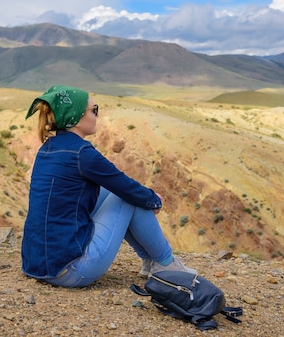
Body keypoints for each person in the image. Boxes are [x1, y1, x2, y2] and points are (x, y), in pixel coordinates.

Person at [21, 85, 196, 288]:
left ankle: (150, 261)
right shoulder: (82, 153)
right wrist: (153, 199)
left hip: (35, 264)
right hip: (72, 270)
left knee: (110, 192)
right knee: (125, 196)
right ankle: (165, 263)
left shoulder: (48, 148)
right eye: (93, 110)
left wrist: (145, 196)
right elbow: (124, 186)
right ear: (77, 117)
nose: (97, 115)